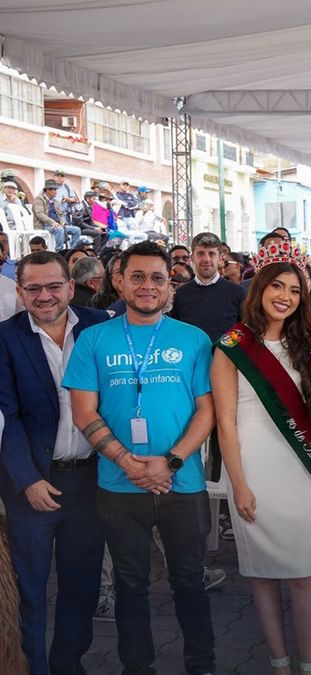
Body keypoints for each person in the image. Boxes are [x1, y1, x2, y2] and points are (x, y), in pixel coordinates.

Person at [63, 241, 216, 675]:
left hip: (181, 483)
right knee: (131, 585)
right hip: (117, 485)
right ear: (119, 281)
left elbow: (208, 410)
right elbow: (83, 411)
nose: (147, 286)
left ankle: (201, 666)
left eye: (157, 278)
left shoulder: (193, 340)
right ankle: (137, 667)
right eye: (137, 277)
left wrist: (168, 462)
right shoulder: (93, 339)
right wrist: (125, 460)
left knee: (190, 582)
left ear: (170, 285)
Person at [212, 241, 311, 675]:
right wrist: (237, 483)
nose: (285, 296)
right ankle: (279, 665)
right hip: (252, 470)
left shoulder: (309, 345)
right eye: (277, 286)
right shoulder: (231, 346)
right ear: (259, 287)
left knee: (304, 572)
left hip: (299, 471)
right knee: (261, 574)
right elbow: (225, 422)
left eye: (295, 291)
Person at [0, 251, 109, 675]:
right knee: (29, 590)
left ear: (70, 285)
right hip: (32, 487)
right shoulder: (5, 338)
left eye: (52, 286)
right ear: (19, 290)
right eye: (33, 288)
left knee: (80, 588)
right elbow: (5, 417)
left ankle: (69, 665)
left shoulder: (100, 328)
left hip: (89, 482)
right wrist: (27, 481)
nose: (44, 296)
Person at [170, 232, 248, 342]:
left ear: (220, 258)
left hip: (227, 357)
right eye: (201, 254)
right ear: (192, 258)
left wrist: (224, 348)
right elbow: (175, 331)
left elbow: (245, 329)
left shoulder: (238, 293)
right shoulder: (179, 295)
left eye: (211, 254)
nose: (206, 259)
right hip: (191, 357)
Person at [33, 181, 80, 251]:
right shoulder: (39, 199)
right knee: (59, 230)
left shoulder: (55, 201)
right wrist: (52, 222)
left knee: (77, 230)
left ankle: (73, 251)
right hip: (44, 225)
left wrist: (63, 222)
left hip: (57, 225)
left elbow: (61, 214)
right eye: (54, 190)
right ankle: (59, 251)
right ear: (48, 190)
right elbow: (40, 214)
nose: (56, 191)